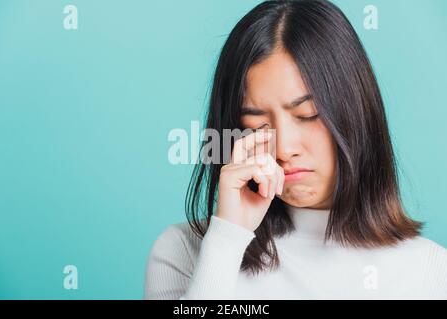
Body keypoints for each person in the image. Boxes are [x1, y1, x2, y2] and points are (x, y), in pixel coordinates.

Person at [145, 0, 447, 299]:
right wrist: (227, 239)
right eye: (257, 121)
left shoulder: (428, 271)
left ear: (355, 112)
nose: (285, 148)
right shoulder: (185, 251)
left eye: (308, 115)